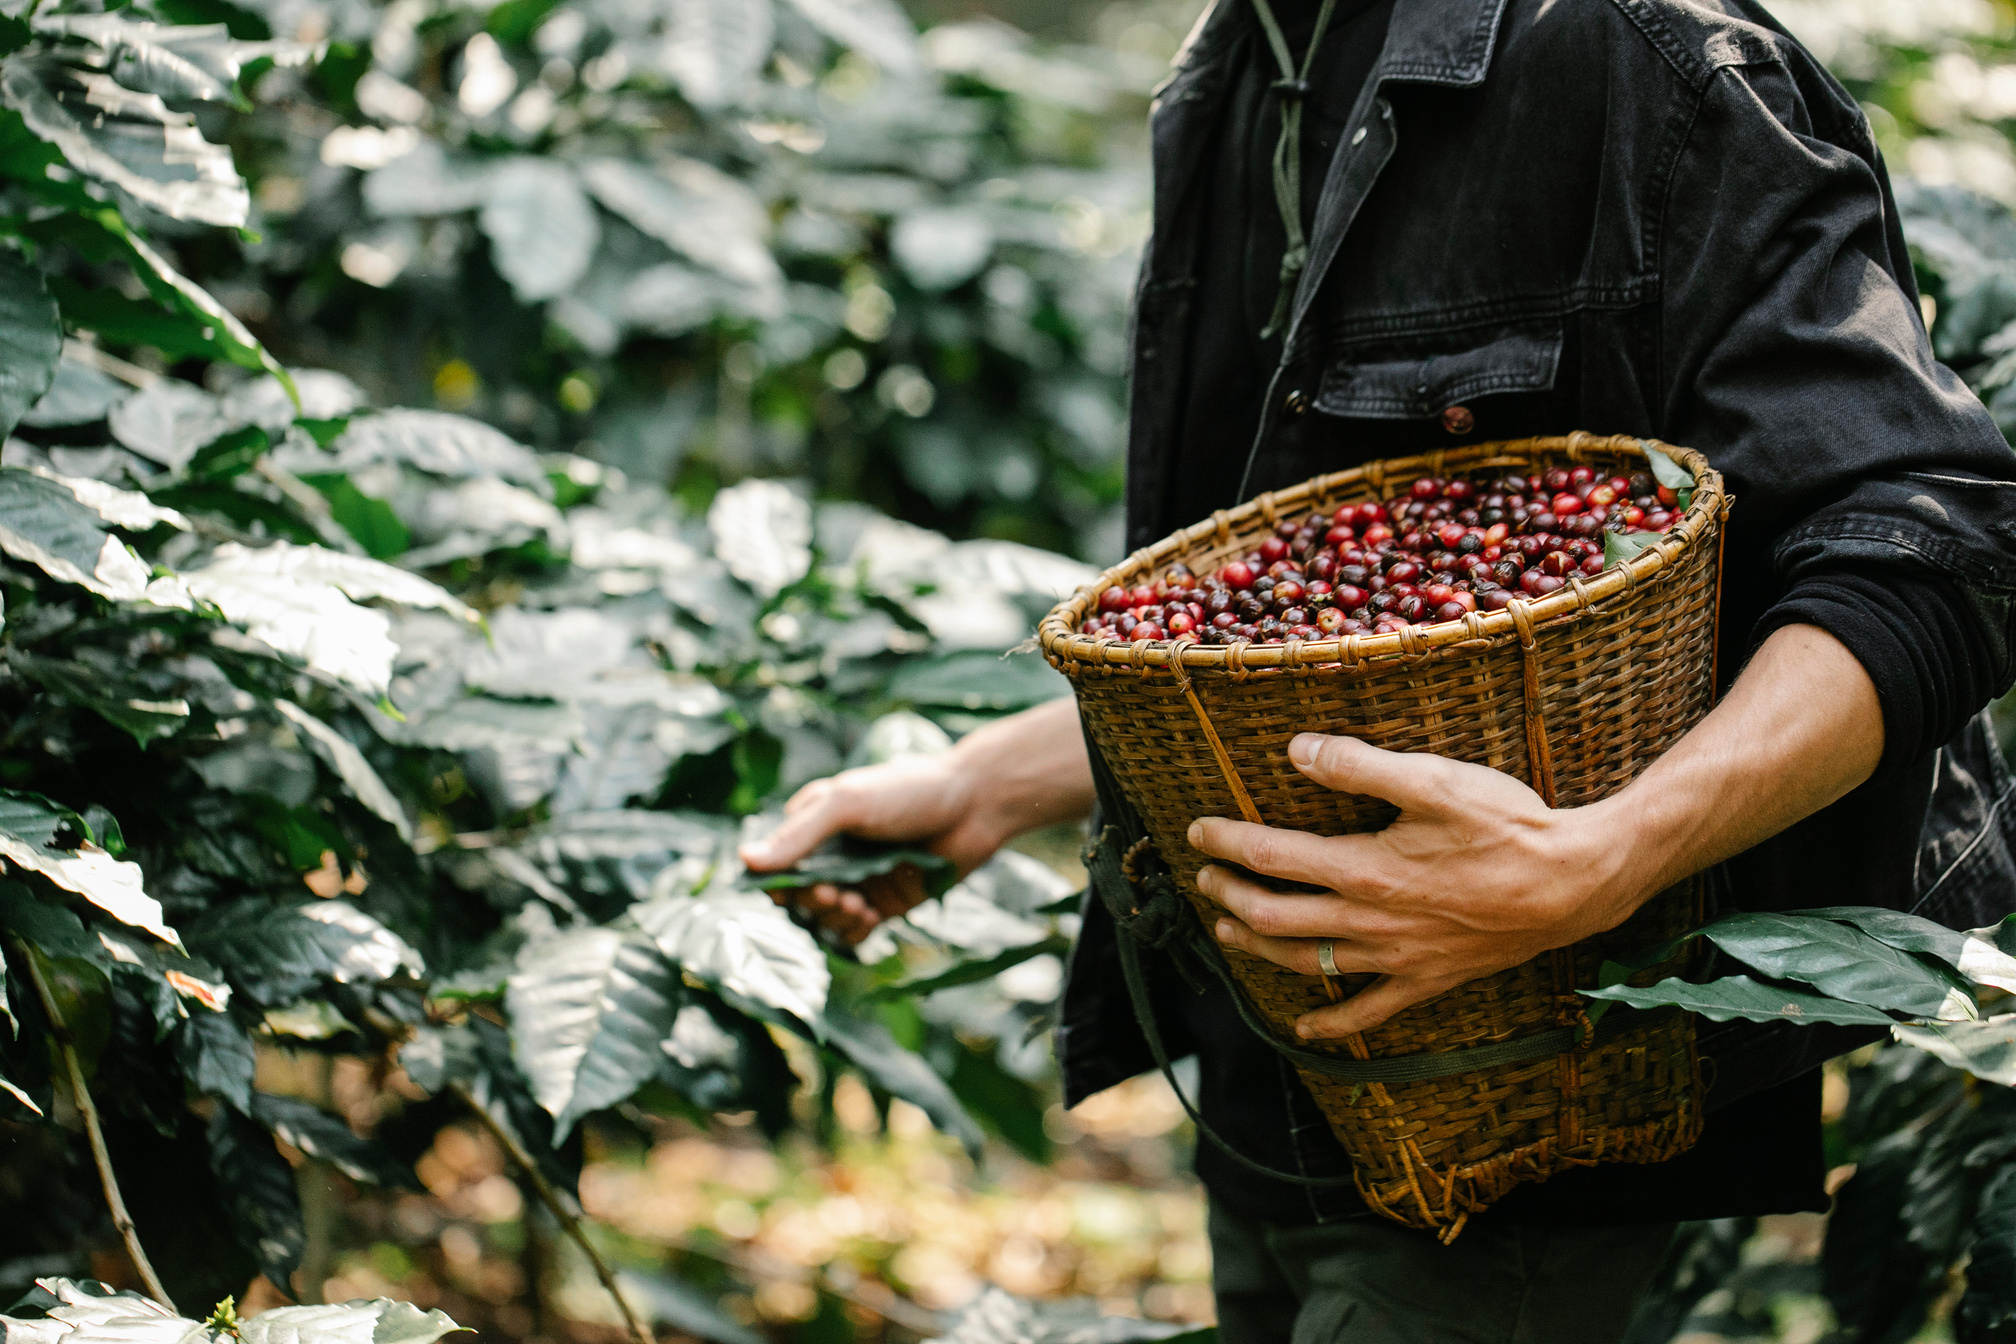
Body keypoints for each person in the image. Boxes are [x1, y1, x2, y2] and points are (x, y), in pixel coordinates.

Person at [743, 0, 2016, 1338]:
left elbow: (1931, 549)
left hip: (1524, 1111)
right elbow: (1291, 639)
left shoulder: (1635, 54)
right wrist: (980, 786)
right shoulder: (1240, 67)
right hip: (1275, 1080)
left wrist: (1605, 856)